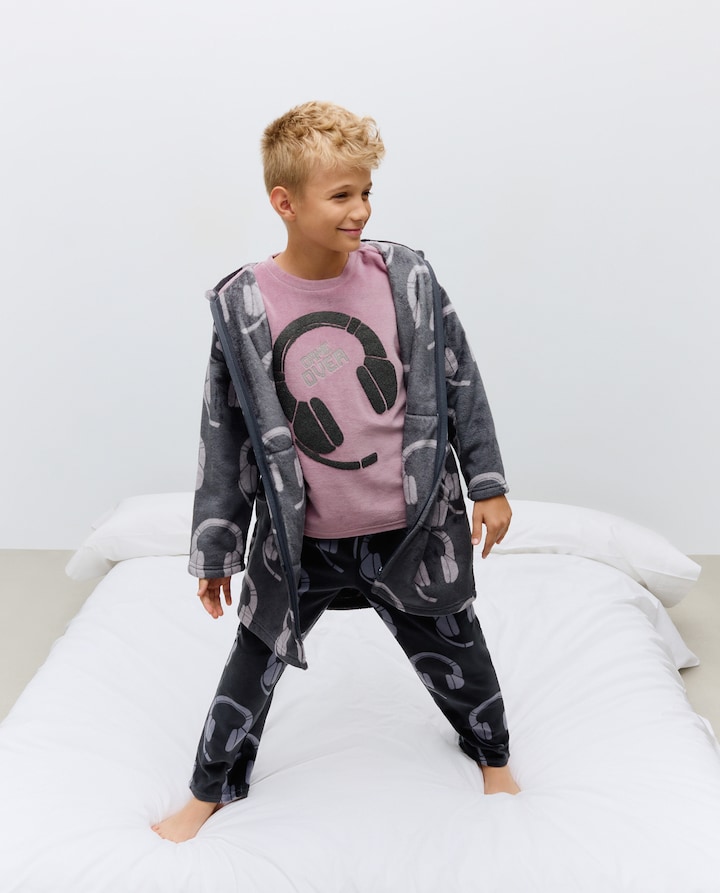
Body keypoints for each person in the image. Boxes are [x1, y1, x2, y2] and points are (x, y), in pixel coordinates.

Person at [153, 100, 520, 843]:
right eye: (342, 195)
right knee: (252, 661)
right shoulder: (244, 306)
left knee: (461, 650)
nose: (362, 210)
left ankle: (494, 754)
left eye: (367, 191)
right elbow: (224, 437)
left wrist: (486, 482)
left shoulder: (406, 278)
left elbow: (460, 379)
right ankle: (209, 788)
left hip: (411, 529)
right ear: (284, 203)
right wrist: (216, 548)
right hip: (301, 542)